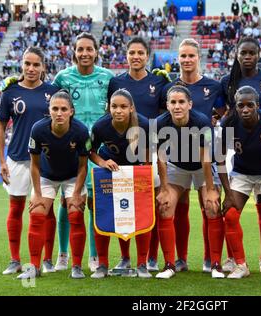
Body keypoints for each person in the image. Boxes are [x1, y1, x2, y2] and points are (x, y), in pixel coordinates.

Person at [162, 38, 226, 273]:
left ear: (199, 58)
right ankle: (180, 259)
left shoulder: (213, 86)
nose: (187, 60)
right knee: (176, 208)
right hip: (176, 159)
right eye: (183, 56)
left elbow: (222, 112)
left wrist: (215, 122)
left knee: (209, 205)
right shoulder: (168, 87)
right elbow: (164, 117)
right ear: (177, 59)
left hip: (204, 158)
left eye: (191, 56)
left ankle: (211, 260)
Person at [52, 32, 114, 273]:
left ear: (96, 52)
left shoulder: (108, 77)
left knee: (94, 202)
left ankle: (94, 256)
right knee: (67, 200)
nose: (85, 53)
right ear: (74, 52)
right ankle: (63, 254)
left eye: (89, 49)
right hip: (70, 148)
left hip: (98, 149)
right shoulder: (62, 77)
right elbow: (50, 103)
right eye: (81, 49)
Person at [107, 37, 170, 272]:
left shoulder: (158, 81)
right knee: (123, 208)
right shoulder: (116, 82)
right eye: (131, 52)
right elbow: (111, 113)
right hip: (122, 157)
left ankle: (151, 257)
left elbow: (165, 115)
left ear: (147, 56)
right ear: (126, 55)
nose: (136, 56)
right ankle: (124, 257)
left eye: (140, 53)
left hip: (149, 153)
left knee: (149, 207)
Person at [0, 47, 59, 276]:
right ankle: (15, 260)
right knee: (16, 208)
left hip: (46, 161)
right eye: (27, 64)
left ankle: (48, 260)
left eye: (36, 64)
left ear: (43, 67)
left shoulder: (53, 91)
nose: (31, 69)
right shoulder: (10, 92)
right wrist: (2, 161)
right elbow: (1, 127)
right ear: (21, 64)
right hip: (18, 158)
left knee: (45, 211)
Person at [220, 36, 261, 273]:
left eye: (251, 53)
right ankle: (236, 261)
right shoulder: (228, 81)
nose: (246, 57)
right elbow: (219, 155)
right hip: (242, 162)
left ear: (258, 55)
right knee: (230, 212)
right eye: (242, 53)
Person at [17, 90, 90, 279]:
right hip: (47, 176)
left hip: (73, 176)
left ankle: (76, 266)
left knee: (75, 212)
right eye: (55, 108)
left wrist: (74, 194)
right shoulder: (38, 129)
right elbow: (34, 164)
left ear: (71, 112)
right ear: (49, 110)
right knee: (37, 213)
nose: (59, 113)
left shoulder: (81, 131)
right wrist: (38, 194)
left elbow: (83, 167)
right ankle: (34, 267)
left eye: (63, 109)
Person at [217, 86, 261, 279]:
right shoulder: (228, 123)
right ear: (235, 107)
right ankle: (241, 265)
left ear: (258, 105)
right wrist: (228, 193)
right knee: (230, 215)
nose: (245, 109)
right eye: (241, 105)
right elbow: (220, 159)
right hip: (242, 174)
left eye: (250, 105)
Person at [155, 85, 223, 279]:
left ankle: (215, 264)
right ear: (167, 105)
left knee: (212, 206)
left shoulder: (202, 122)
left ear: (190, 104)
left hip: (203, 167)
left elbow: (206, 158)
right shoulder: (160, 123)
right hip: (177, 167)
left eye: (181, 102)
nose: (177, 106)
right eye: (173, 102)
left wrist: (210, 189)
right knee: (164, 206)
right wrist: (165, 188)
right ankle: (169, 265)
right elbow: (161, 157)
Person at [89, 89, 152, 278]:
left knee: (141, 215)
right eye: (114, 106)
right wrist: (103, 162)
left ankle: (142, 263)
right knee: (106, 215)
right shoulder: (100, 126)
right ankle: (103, 265)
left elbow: (150, 150)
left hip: (137, 172)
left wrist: (145, 168)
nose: (118, 110)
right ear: (109, 108)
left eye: (123, 106)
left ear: (131, 108)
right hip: (111, 172)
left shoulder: (145, 124)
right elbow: (90, 151)